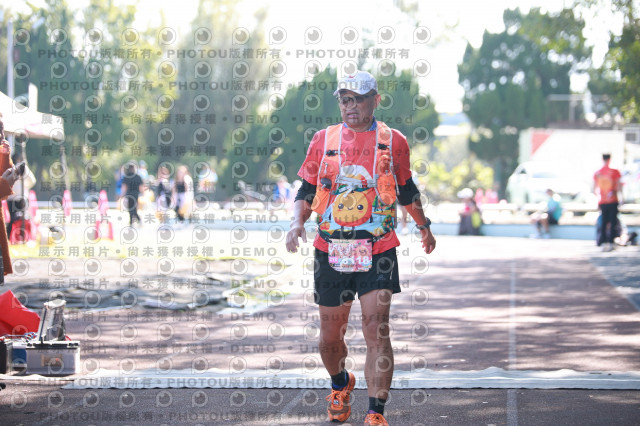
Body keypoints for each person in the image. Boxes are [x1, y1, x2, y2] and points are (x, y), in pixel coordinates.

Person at [285, 70, 436, 426]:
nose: (350, 106)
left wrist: (423, 226)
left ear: (375, 100)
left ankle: (375, 412)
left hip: (378, 248)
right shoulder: (323, 139)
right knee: (330, 337)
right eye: (345, 100)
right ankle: (340, 383)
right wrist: (296, 223)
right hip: (330, 249)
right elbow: (307, 189)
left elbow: (406, 189)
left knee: (376, 327)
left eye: (358, 99)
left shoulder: (393, 141)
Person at [594, 153, 622, 251]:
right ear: (610, 159)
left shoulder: (598, 172)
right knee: (613, 222)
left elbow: (595, 189)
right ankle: (610, 242)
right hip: (613, 200)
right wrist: (622, 198)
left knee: (604, 222)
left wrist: (597, 200)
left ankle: (603, 242)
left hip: (603, 201)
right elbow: (618, 185)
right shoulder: (615, 171)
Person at [5, 153, 36, 241]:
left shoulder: (8, 168)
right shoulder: (23, 167)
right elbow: (32, 181)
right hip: (22, 198)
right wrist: (25, 185)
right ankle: (23, 236)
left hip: (11, 198)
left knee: (13, 219)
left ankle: (9, 237)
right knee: (23, 218)